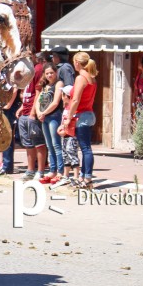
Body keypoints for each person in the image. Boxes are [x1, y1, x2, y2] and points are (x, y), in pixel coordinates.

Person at [63, 52, 98, 189]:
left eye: (74, 62)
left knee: (85, 148)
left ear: (77, 62)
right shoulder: (91, 78)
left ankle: (88, 179)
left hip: (81, 115)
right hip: (88, 114)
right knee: (85, 148)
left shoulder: (81, 78)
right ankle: (84, 177)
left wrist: (69, 117)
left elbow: (76, 99)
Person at [35, 63, 65, 185]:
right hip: (45, 117)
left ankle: (60, 171)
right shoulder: (45, 86)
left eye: (51, 73)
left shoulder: (59, 84)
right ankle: (52, 170)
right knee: (49, 145)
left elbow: (55, 102)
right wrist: (38, 112)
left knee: (56, 144)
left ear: (56, 72)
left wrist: (44, 113)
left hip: (54, 116)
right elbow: (39, 100)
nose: (49, 75)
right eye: (47, 73)